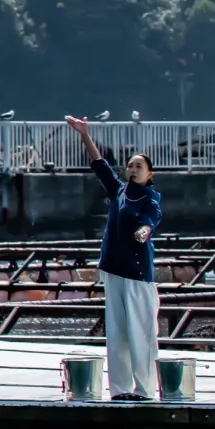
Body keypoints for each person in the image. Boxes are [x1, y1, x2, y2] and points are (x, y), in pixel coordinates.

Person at [67, 115, 161, 399]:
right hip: (112, 268)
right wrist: (85, 134)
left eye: (139, 166)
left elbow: (152, 219)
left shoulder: (149, 198)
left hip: (137, 273)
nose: (133, 169)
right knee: (118, 333)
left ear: (149, 174)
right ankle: (120, 390)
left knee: (141, 332)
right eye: (131, 165)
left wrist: (143, 232)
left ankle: (145, 390)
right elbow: (100, 166)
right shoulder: (119, 190)